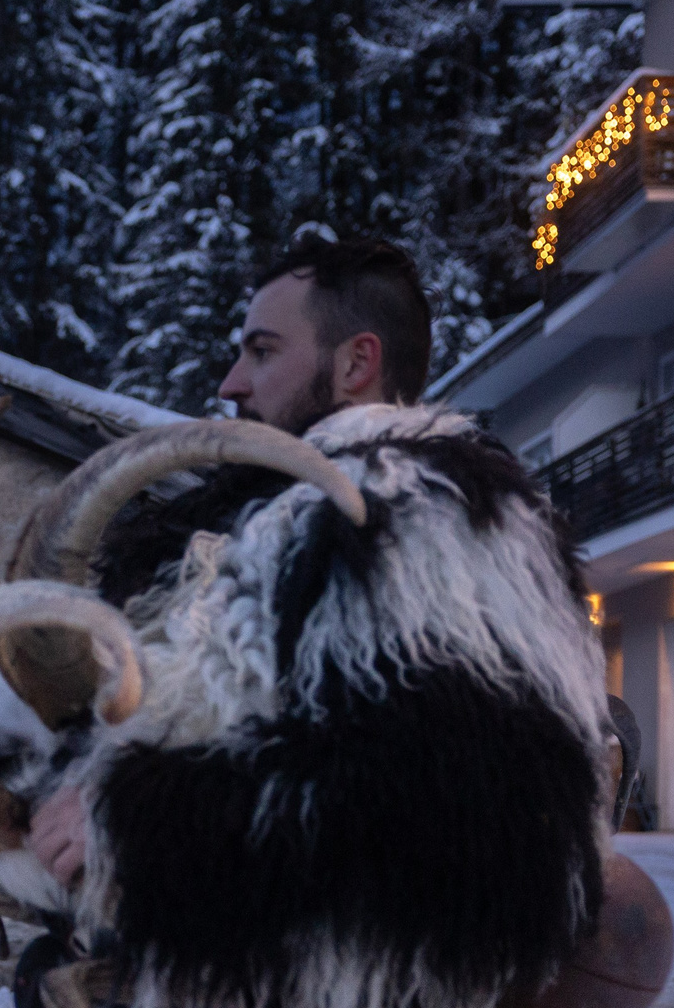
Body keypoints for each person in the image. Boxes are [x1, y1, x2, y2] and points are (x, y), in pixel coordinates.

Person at [31, 232, 436, 886]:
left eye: (263, 351)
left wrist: (133, 807)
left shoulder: (399, 526)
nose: (231, 383)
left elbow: (384, 775)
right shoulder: (274, 518)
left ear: (355, 364)